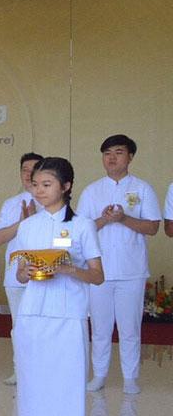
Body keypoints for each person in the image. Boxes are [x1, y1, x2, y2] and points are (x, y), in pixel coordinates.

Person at [11, 157, 104, 416]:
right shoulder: (27, 226)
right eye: (36, 184)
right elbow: (20, 275)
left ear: (65, 187)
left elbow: (97, 275)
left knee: (65, 386)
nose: (39, 190)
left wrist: (65, 269)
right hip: (33, 315)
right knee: (35, 385)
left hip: (68, 316)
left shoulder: (82, 226)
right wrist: (24, 271)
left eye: (46, 184)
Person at [80, 134, 160, 394]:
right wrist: (104, 220)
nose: (112, 158)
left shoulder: (142, 188)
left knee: (129, 328)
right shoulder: (92, 190)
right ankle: (99, 374)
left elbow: (152, 227)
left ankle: (130, 378)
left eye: (118, 152)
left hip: (132, 270)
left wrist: (124, 218)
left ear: (130, 157)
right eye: (107, 153)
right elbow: (82, 230)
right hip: (99, 271)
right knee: (100, 328)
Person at [0, 153, 43, 386]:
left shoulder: (52, 202)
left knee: (42, 325)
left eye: (34, 169)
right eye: (24, 169)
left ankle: (43, 371)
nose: (28, 174)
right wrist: (24, 222)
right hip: (15, 276)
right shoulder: (11, 203)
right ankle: (19, 370)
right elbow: (0, 237)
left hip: (45, 276)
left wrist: (35, 220)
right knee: (19, 327)